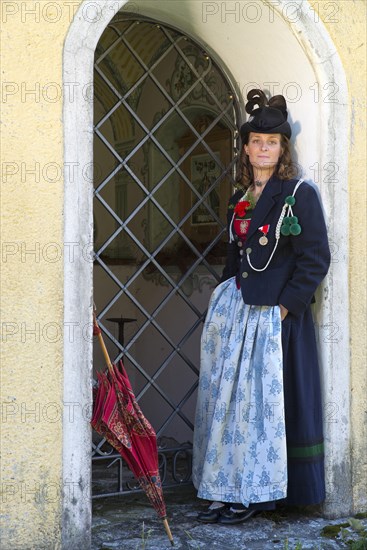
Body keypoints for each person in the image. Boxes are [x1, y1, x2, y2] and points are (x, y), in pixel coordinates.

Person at [192, 89, 331, 525]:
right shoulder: (239, 198)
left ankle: (259, 494)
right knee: (231, 405)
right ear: (247, 148)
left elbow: (315, 258)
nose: (263, 148)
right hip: (238, 315)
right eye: (256, 141)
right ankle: (228, 486)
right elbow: (235, 257)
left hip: (276, 321)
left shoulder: (298, 194)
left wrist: (286, 309)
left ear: (282, 148)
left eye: (271, 142)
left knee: (262, 410)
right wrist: (223, 299)